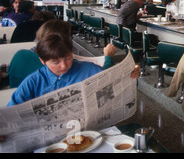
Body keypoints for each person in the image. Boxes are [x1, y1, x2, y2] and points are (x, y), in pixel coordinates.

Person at [7, 29, 140, 106]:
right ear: (43, 61)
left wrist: (130, 76)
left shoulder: (89, 69)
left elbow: (113, 86)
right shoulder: (33, 82)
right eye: (56, 62)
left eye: (67, 58)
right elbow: (11, 112)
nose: (64, 65)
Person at [7, 19, 117, 88]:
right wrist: (108, 56)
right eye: (70, 36)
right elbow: (102, 78)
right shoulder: (66, 66)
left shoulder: (19, 55)